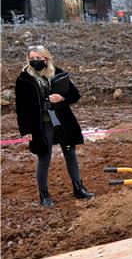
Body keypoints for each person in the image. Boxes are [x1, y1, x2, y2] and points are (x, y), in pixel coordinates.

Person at [15, 46, 95, 207]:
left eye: (39, 57)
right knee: (44, 158)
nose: (36, 60)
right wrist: (26, 130)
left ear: (47, 58)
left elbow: (75, 95)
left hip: (62, 121)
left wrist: (62, 98)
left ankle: (78, 188)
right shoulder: (24, 79)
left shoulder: (58, 73)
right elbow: (21, 107)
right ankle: (44, 195)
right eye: (32, 57)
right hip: (41, 125)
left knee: (71, 154)